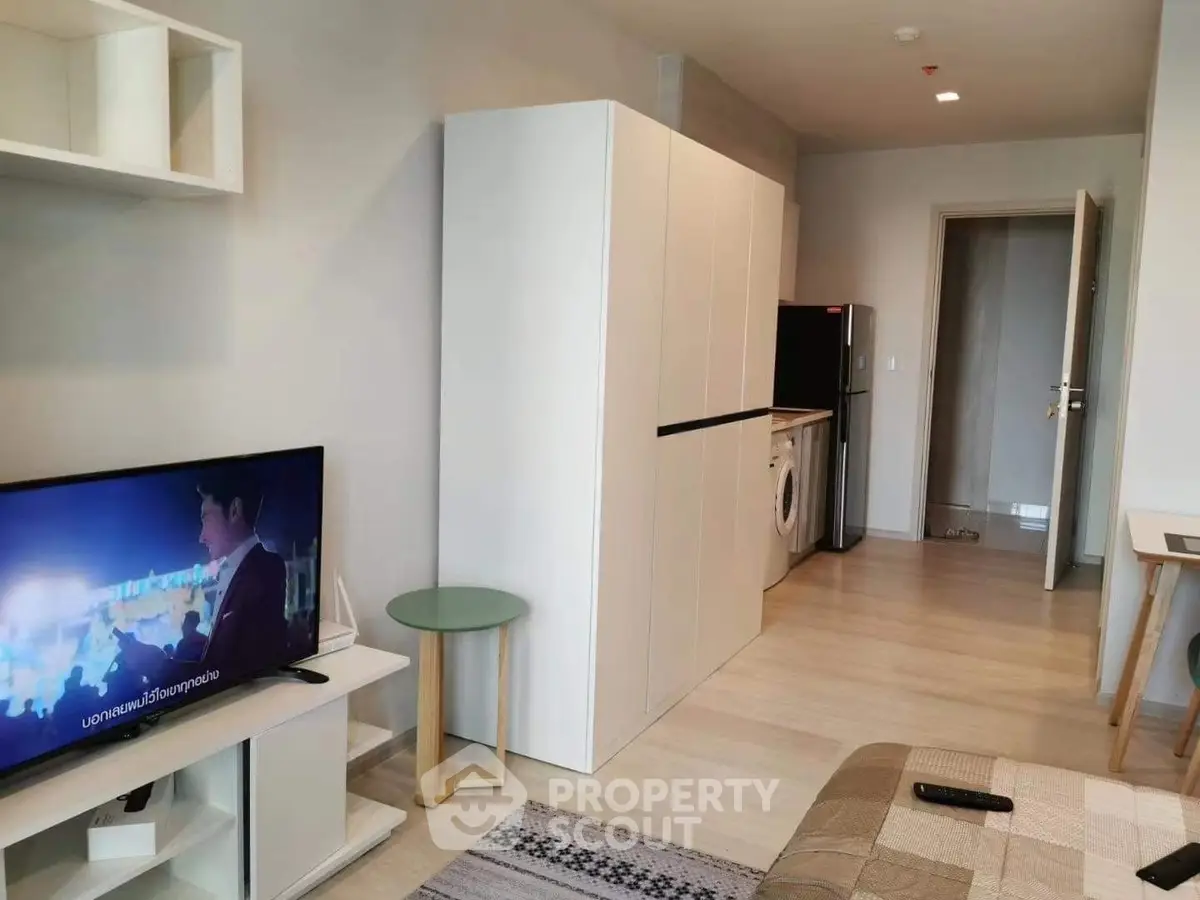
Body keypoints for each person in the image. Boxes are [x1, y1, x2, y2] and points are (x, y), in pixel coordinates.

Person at [197, 468, 287, 677]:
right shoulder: (233, 571)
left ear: (235, 511)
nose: (202, 537)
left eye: (206, 520)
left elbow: (232, 669)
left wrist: (160, 664)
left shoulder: (263, 570)